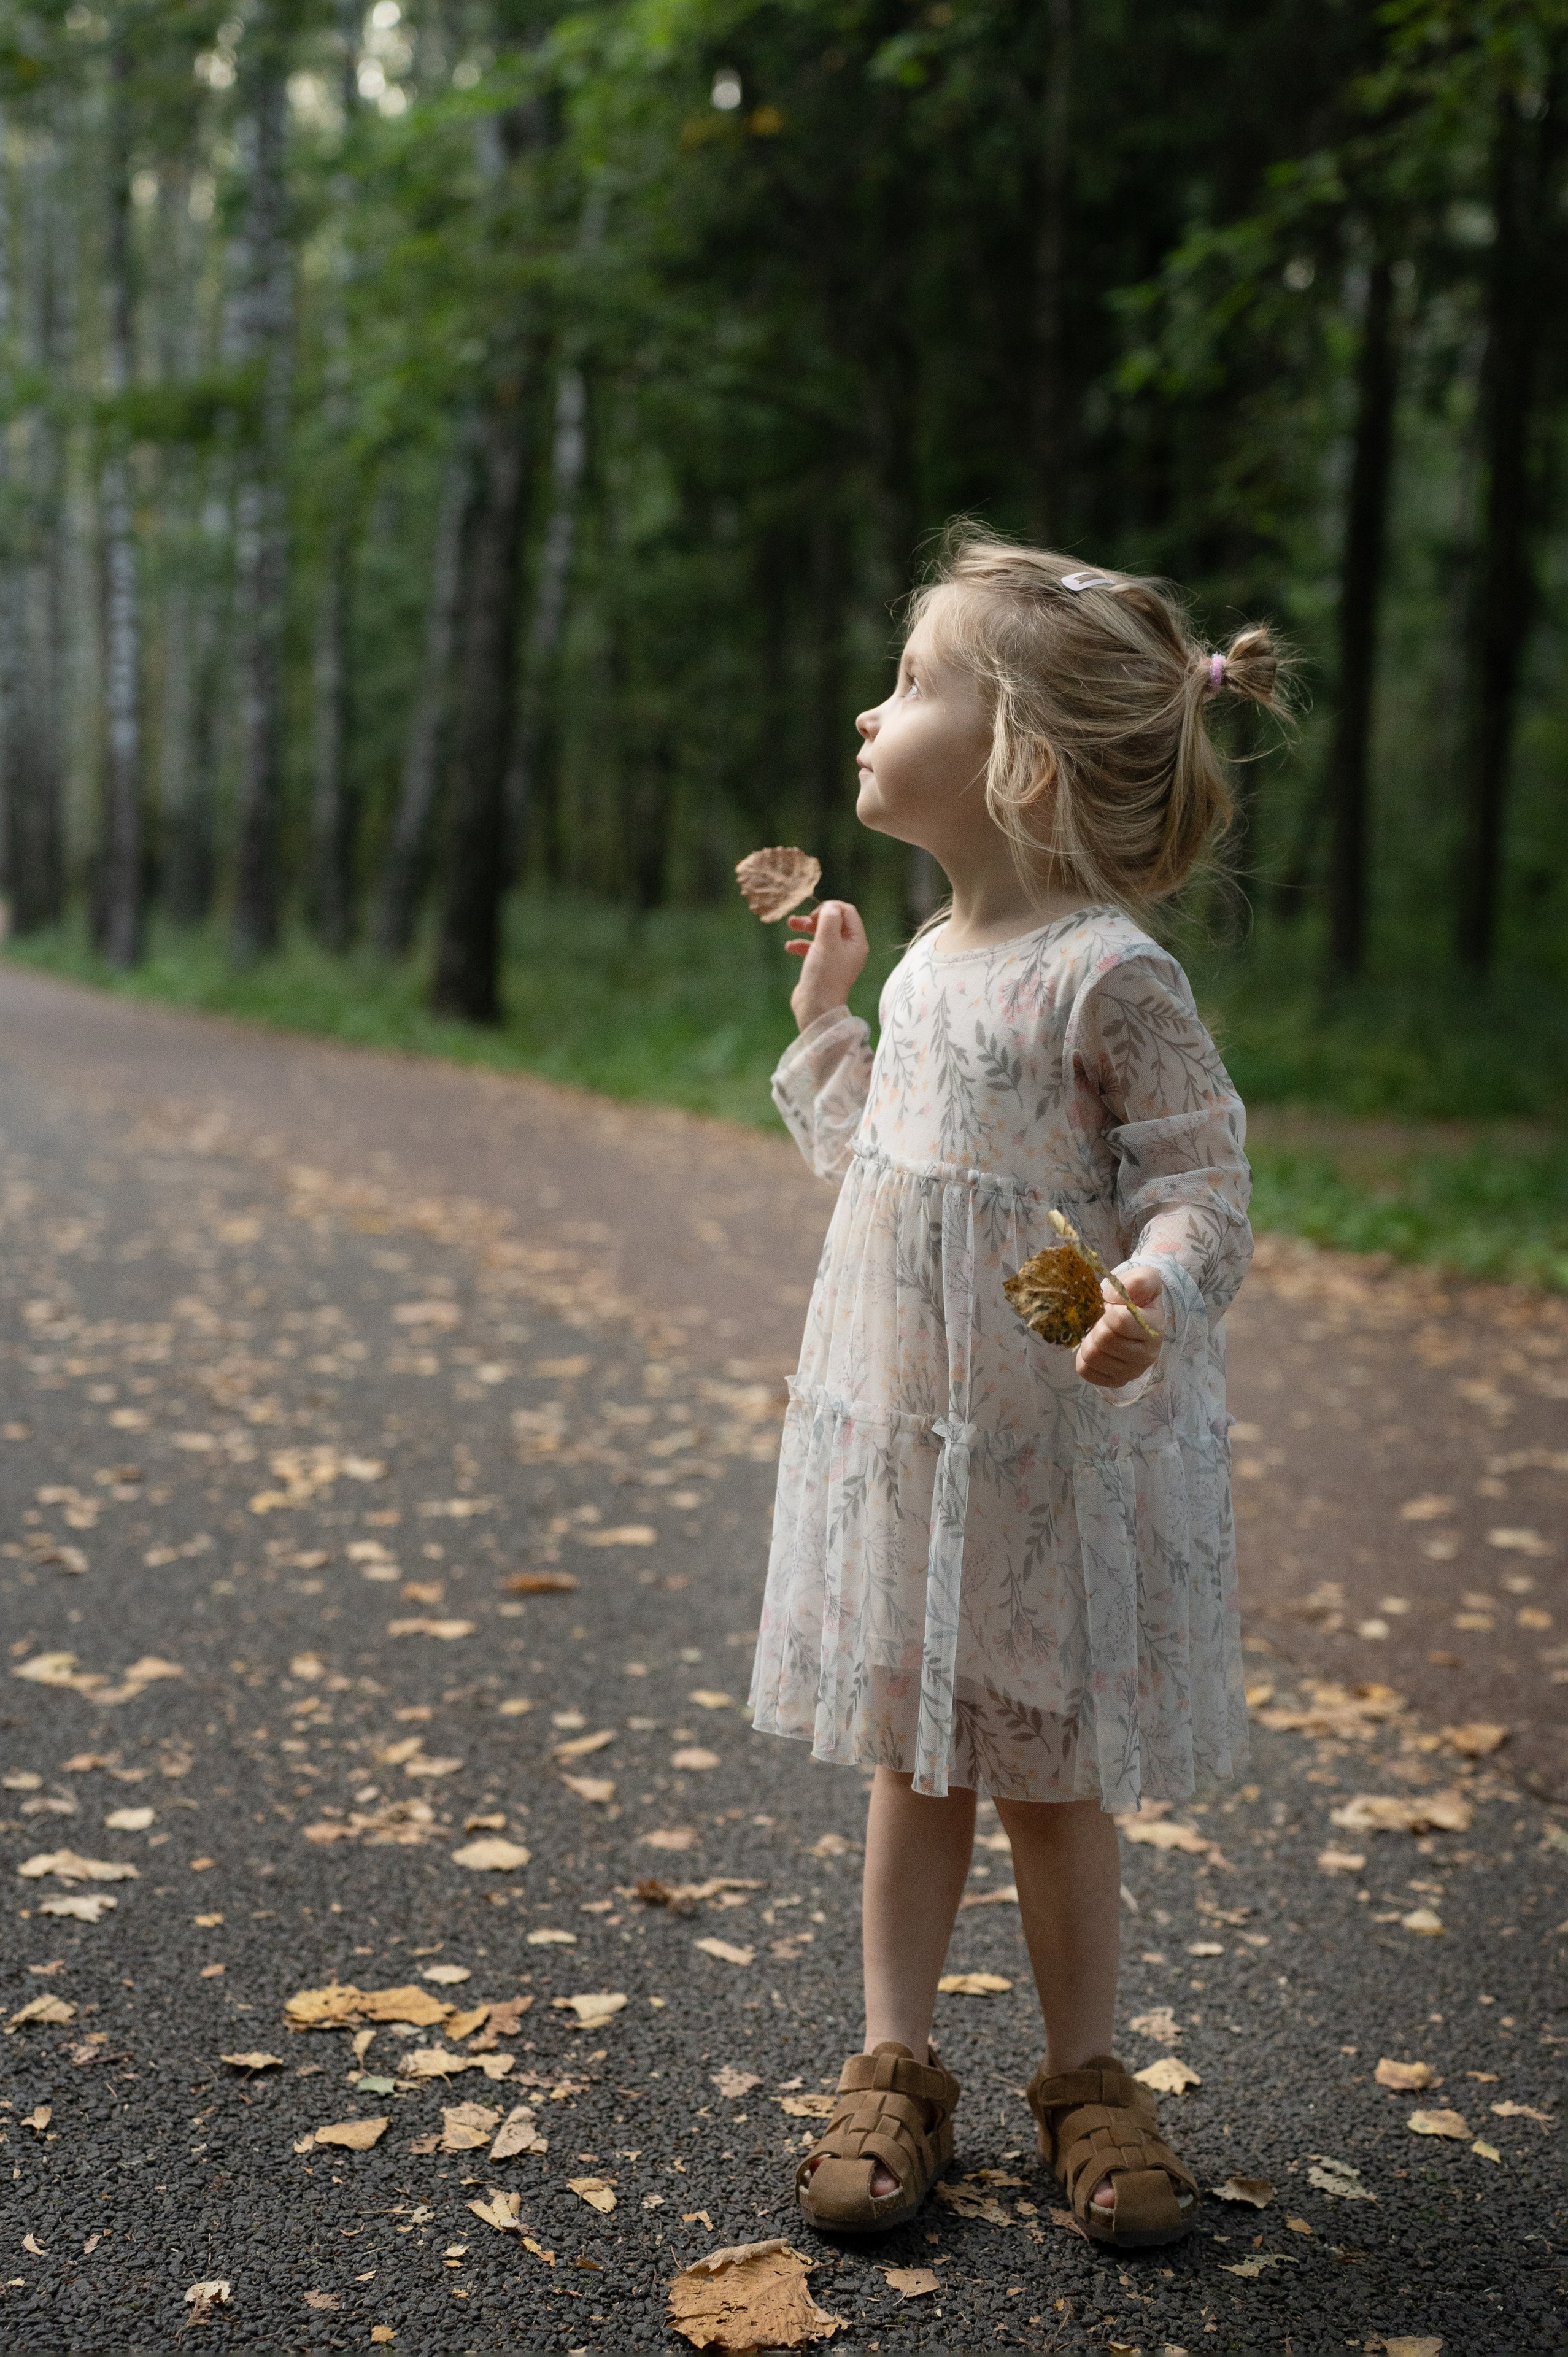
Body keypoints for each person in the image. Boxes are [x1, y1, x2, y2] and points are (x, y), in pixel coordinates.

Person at [747, 523, 1286, 2248]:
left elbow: (1205, 1180)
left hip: (1049, 1459)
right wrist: (830, 1020)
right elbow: (888, 1182)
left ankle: (1084, 2076)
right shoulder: (921, 961)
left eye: (911, 685)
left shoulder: (1108, 972)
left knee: (1051, 1781)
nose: (870, 712)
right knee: (916, 1763)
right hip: (917, 1449)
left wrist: (1153, 1288)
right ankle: (891, 2060)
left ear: (1020, 761)